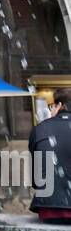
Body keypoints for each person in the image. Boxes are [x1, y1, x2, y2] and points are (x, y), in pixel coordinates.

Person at [29, 88, 71, 223]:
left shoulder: (40, 129)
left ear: (59, 106)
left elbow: (36, 180)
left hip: (48, 209)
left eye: (51, 106)